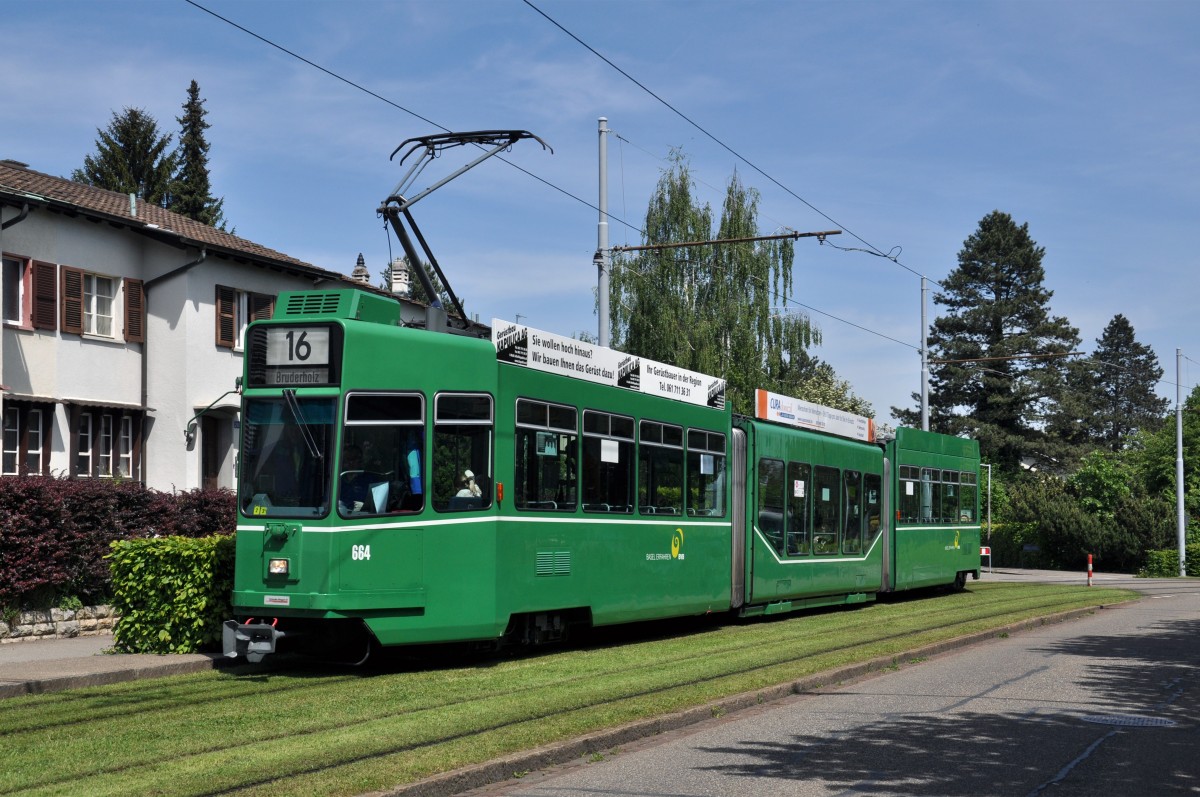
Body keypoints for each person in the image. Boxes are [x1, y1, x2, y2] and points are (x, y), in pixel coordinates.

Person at [339, 444, 369, 513]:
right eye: (347, 459)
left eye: (354, 459)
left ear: (361, 460)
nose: (350, 462)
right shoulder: (337, 480)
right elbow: (327, 502)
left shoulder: (369, 479)